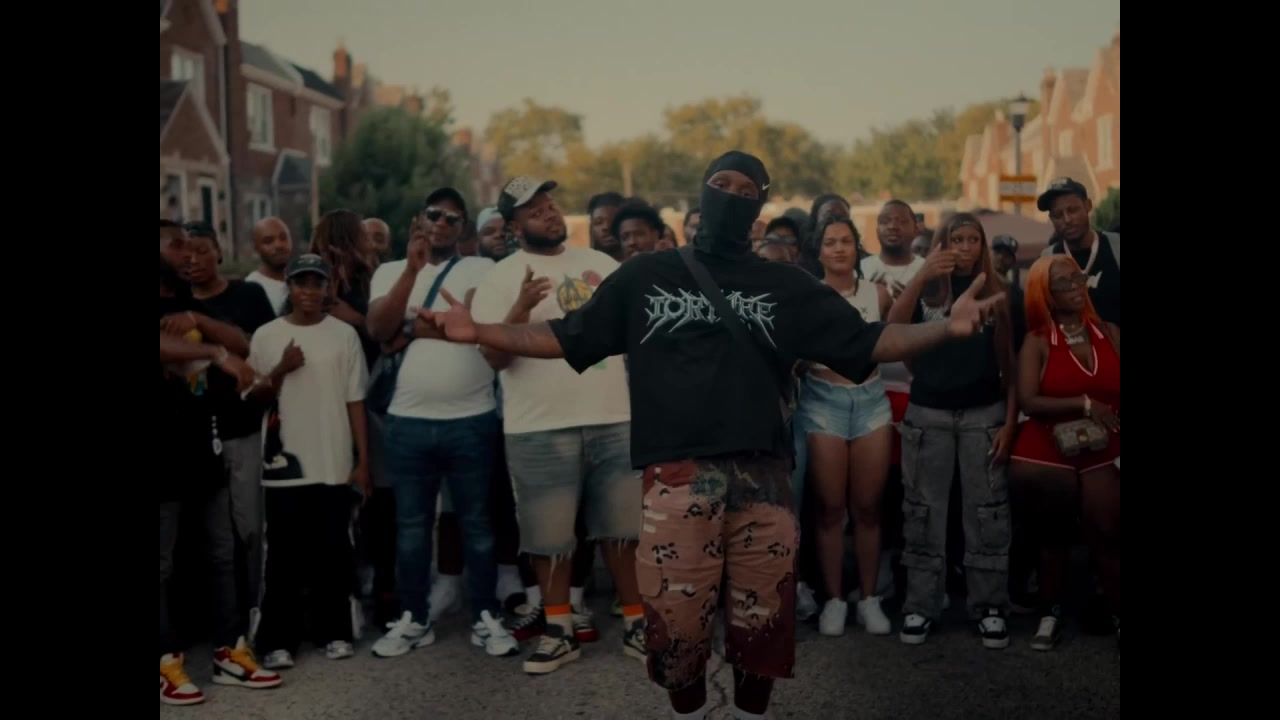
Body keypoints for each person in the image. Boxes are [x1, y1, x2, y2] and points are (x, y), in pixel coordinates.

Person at [421, 151, 1004, 720]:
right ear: (702, 190)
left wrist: (944, 330)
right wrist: (482, 331)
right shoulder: (645, 276)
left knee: (762, 637)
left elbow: (870, 342)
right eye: (723, 184)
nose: (734, 197)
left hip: (764, 479)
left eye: (748, 192)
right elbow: (567, 335)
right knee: (675, 640)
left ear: (761, 208)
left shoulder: (786, 284)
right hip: (677, 478)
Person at [470, 176, 641, 674]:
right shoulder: (501, 277)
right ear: (513, 226)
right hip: (538, 426)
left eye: (549, 204)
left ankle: (637, 623)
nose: (548, 213)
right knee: (548, 537)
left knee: (624, 531)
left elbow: (634, 333)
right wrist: (522, 306)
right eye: (534, 210)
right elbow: (493, 358)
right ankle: (559, 629)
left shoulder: (601, 264)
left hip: (613, 416)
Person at [159, 222, 281, 706]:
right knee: (163, 562)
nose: (188, 254)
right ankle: (166, 662)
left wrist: (208, 330)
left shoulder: (188, 304)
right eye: (176, 246)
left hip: (201, 443)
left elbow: (244, 343)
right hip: (162, 453)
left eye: (193, 247)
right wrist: (213, 352)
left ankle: (230, 650)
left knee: (222, 551)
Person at [885, 213, 1018, 649]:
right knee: (922, 511)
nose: (964, 246)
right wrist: (923, 272)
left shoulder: (998, 292)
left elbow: (1009, 365)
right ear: (941, 244)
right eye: (955, 239)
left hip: (984, 413)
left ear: (982, 245)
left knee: (987, 511)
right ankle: (921, 606)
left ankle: (990, 605)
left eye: (972, 239)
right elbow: (894, 333)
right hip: (929, 413)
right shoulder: (926, 289)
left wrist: (1010, 421)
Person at [248, 254, 370, 667]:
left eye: (317, 283)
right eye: (301, 283)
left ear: (327, 287)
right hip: (283, 466)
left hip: (333, 459)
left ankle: (334, 632)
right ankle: (277, 640)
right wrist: (281, 368)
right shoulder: (266, 335)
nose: (309, 291)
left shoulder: (344, 335)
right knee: (284, 554)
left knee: (333, 549)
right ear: (289, 286)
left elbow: (355, 400)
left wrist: (363, 461)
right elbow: (254, 397)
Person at [1009, 256, 1120, 651]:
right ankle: (1050, 612)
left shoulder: (1110, 332)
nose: (1075, 286)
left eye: (1078, 277)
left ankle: (1117, 612)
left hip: (1104, 441)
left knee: (1106, 529)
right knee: (1053, 532)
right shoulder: (1038, 341)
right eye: (1063, 282)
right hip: (1048, 442)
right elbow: (1028, 400)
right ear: (1046, 295)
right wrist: (1085, 403)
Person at [797, 217, 895, 638]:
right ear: (818, 251)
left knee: (869, 507)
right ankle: (835, 600)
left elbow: (895, 341)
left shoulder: (879, 294)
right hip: (822, 402)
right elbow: (795, 356)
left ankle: (869, 599)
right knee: (830, 509)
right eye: (830, 242)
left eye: (846, 241)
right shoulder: (807, 297)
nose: (839, 248)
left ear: (857, 248)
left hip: (871, 401)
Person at [1037, 178, 1120, 326]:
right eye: (1058, 215)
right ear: (1051, 219)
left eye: (1073, 210)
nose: (1067, 220)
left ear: (1088, 206)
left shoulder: (1116, 246)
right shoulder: (1048, 260)